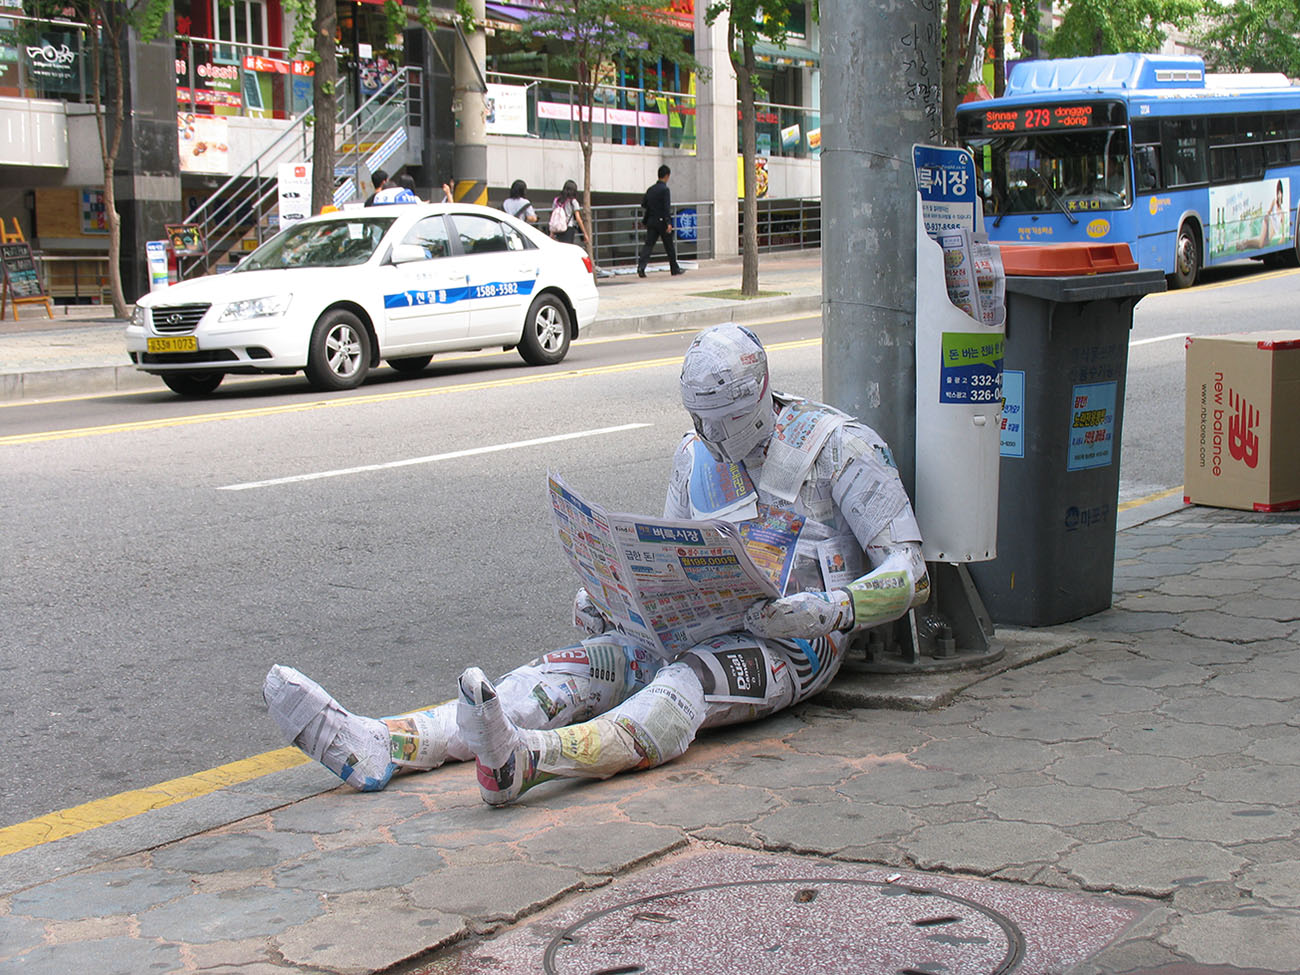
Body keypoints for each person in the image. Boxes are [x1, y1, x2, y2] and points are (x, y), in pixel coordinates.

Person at [263, 323, 930, 806]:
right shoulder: (693, 457)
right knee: (577, 666)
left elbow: (910, 571)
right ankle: (390, 741)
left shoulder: (840, 447)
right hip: (697, 624)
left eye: (722, 421)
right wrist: (615, 599)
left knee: (685, 684)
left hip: (795, 643)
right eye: (699, 421)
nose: (711, 439)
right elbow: (674, 558)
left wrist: (832, 608)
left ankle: (532, 761)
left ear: (759, 397)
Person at [638, 164, 684, 277]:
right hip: (662, 222)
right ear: (667, 176)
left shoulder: (650, 189)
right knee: (669, 246)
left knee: (648, 245)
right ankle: (674, 269)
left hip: (651, 221)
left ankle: (641, 267)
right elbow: (666, 207)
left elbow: (644, 204)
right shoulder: (665, 190)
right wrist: (668, 223)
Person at [548, 179, 586, 244]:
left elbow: (553, 217)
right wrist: (584, 233)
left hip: (557, 228)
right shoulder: (573, 201)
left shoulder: (557, 200)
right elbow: (578, 219)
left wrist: (551, 233)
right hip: (568, 228)